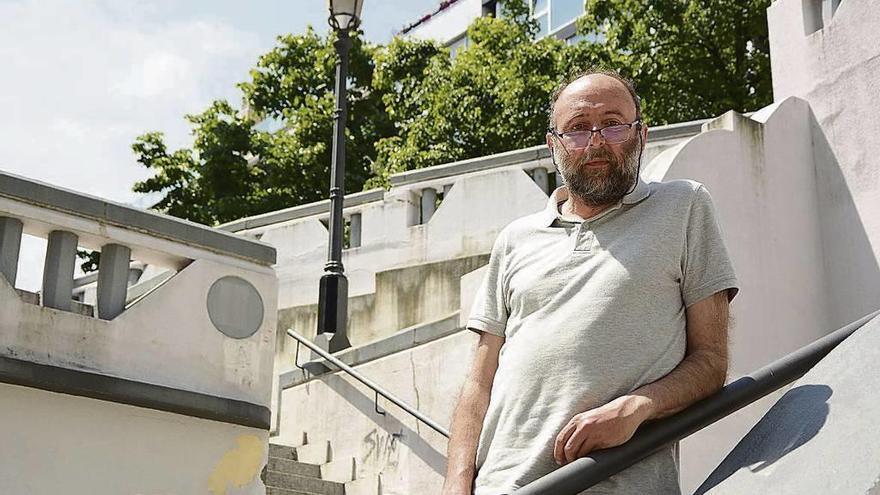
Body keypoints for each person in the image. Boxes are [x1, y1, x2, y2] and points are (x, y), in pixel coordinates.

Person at [441, 69, 739, 495]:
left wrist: (637, 407)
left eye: (613, 123)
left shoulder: (684, 206)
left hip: (613, 482)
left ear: (641, 133)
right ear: (553, 145)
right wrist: (456, 482)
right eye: (578, 129)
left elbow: (711, 361)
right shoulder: (515, 239)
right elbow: (478, 382)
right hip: (499, 486)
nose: (597, 140)